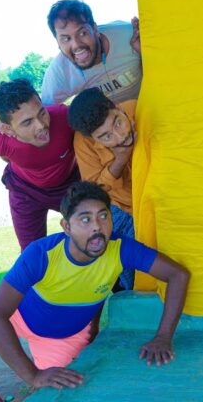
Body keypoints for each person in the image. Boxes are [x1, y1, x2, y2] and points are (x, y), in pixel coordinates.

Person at [0, 181, 190, 402]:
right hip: (18, 314)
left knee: (64, 394)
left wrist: (163, 336)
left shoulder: (121, 248)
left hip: (65, 336)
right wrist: (32, 375)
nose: (97, 227)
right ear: (66, 227)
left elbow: (178, 275)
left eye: (103, 216)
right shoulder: (41, 253)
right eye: (85, 219)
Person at [0, 79, 79, 250]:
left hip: (69, 186)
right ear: (7, 129)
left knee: (90, 238)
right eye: (27, 122)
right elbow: (6, 157)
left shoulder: (64, 116)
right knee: (31, 252)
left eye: (42, 113)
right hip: (25, 192)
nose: (41, 125)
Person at [67, 87, 138, 289]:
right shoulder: (83, 143)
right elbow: (96, 189)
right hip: (124, 207)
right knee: (131, 267)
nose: (120, 136)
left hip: (158, 200)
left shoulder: (136, 109)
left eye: (118, 122)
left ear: (117, 107)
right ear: (92, 138)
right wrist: (121, 158)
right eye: (106, 137)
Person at [41, 0, 142, 104]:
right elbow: (48, 111)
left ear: (95, 29)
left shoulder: (129, 34)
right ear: (58, 43)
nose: (76, 45)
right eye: (66, 39)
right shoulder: (59, 72)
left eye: (82, 33)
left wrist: (143, 49)